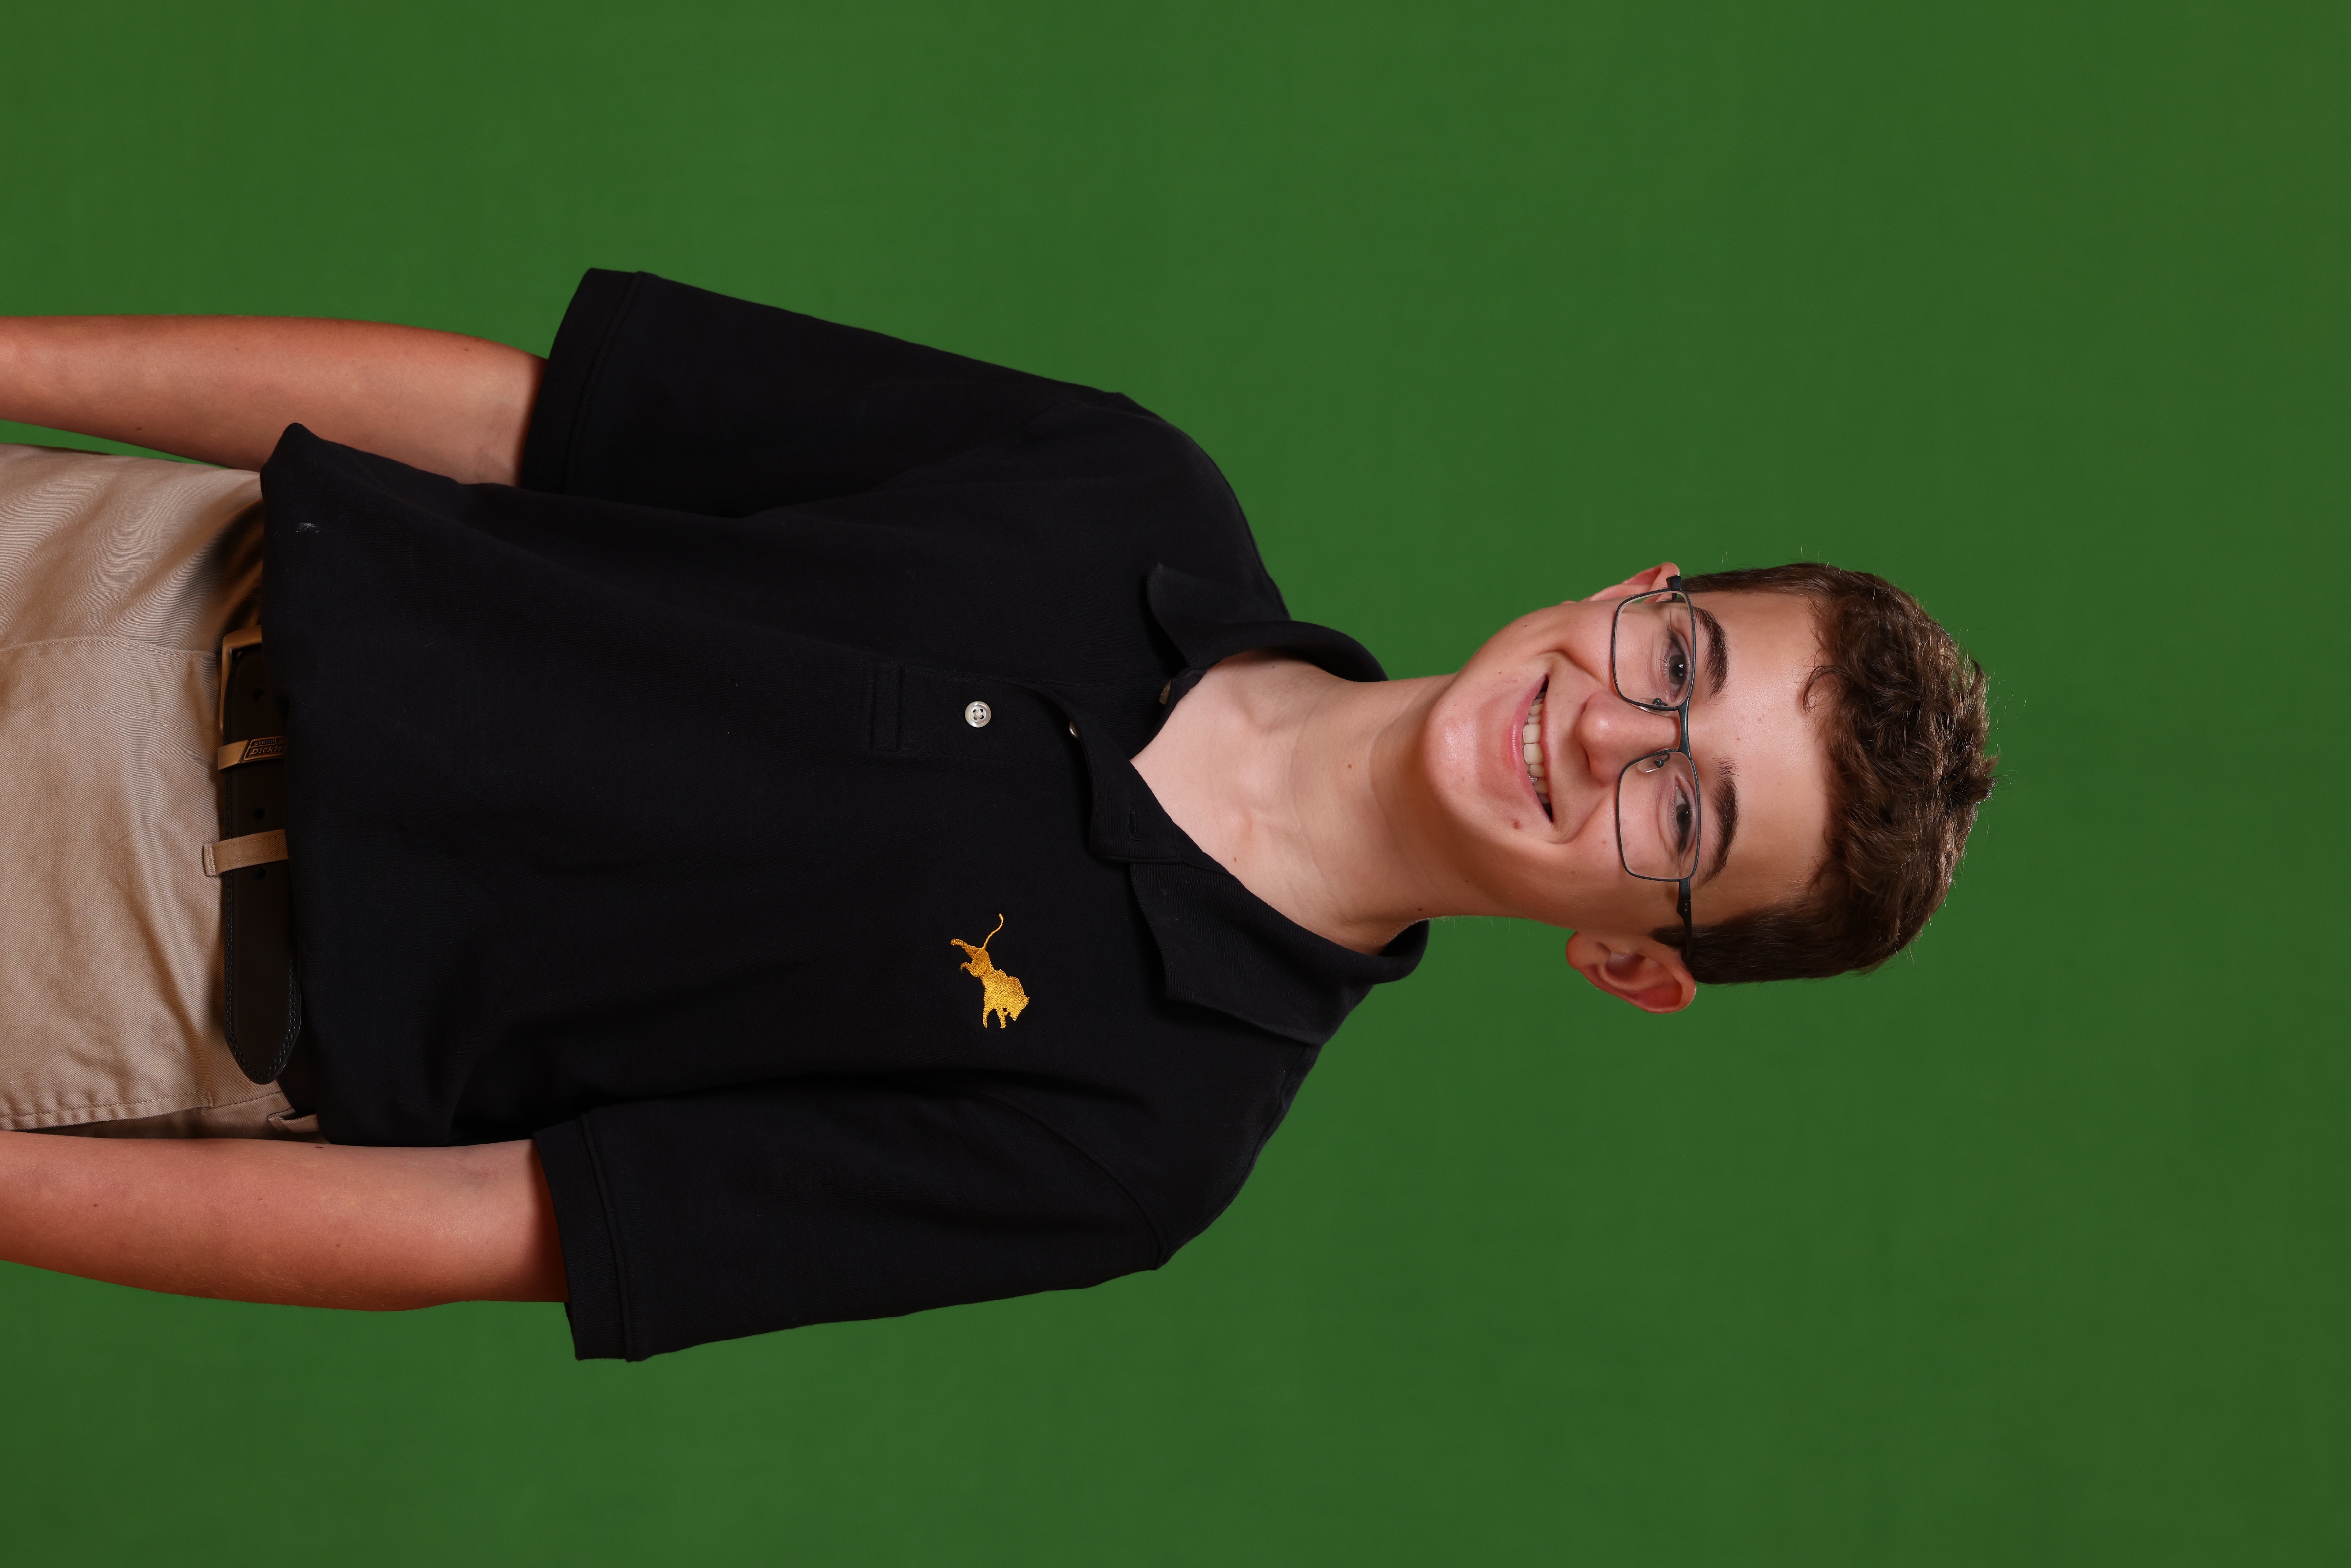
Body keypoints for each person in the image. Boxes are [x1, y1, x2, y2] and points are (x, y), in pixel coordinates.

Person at [0, 272, 1995, 1358]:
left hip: (122, 956)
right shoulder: (1127, 487)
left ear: (1635, 961)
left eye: (1686, 816)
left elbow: (485, 1223)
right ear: (1638, 591)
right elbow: (528, 421)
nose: (1611, 731)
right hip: (131, 565)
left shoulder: (1141, 1141)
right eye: (1676, 664)